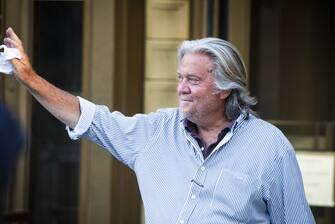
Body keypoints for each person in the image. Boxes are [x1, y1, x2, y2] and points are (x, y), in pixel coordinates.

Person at [4, 27, 315, 223]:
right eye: (180, 78)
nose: (181, 88)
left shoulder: (268, 146)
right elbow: (88, 118)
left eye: (193, 80)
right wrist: (29, 78)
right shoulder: (156, 132)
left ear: (224, 89)